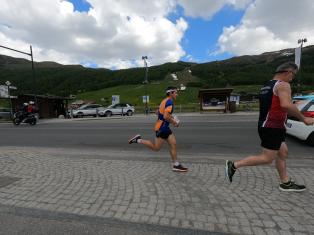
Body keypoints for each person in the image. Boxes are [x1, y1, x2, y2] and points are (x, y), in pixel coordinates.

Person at [225, 62, 314, 192]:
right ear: (288, 72)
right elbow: (285, 105)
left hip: (267, 124)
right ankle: (233, 165)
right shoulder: (284, 85)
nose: (292, 78)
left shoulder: (266, 86)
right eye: (293, 75)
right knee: (267, 158)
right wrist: (304, 118)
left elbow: (276, 104)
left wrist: (293, 103)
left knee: (283, 153)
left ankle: (285, 182)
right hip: (273, 126)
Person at [128, 86, 188, 172]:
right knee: (156, 148)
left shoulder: (164, 101)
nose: (177, 94)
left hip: (163, 127)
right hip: (162, 128)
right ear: (171, 93)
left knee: (173, 144)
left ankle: (176, 165)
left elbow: (158, 112)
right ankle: (138, 140)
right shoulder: (170, 101)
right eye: (176, 92)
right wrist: (175, 122)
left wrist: (171, 118)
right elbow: (166, 116)